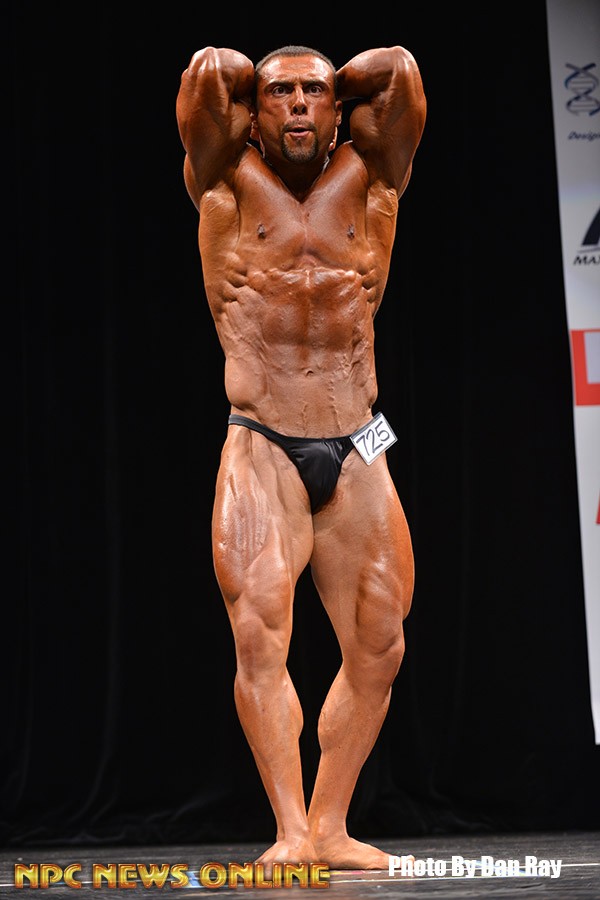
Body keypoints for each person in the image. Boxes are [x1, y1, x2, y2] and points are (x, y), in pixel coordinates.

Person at [176, 42, 426, 872]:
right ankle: (287, 830)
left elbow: (401, 71)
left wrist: (335, 81)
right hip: (264, 444)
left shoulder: (374, 177)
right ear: (253, 111)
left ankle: (329, 826)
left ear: (339, 109)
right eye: (279, 92)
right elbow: (207, 72)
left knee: (381, 643)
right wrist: (254, 86)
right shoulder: (223, 179)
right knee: (260, 641)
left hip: (358, 441)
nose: (296, 105)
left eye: (312, 93)